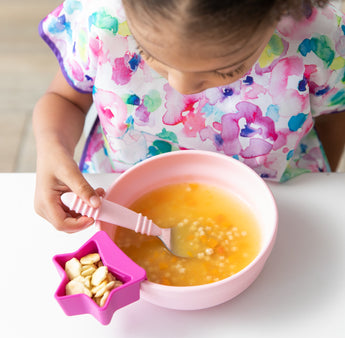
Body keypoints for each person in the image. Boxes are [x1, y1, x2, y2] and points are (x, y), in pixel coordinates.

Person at [33, 0, 345, 233]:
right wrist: (52, 149)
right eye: (148, 53)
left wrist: (322, 186)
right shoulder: (101, 20)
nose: (180, 86)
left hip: (285, 198)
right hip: (118, 188)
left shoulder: (320, 39)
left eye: (227, 70)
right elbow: (65, 100)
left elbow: (334, 117)